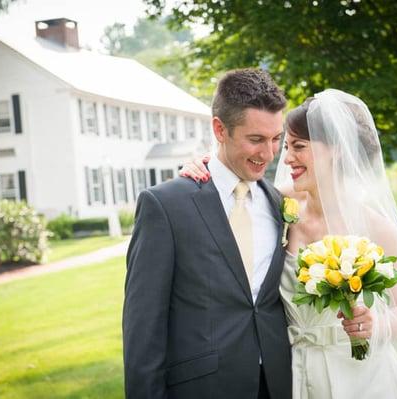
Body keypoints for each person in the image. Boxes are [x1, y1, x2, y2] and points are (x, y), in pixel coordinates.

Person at [181, 89, 397, 398]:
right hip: (294, 373)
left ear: (337, 150)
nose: (286, 158)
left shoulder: (378, 229)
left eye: (298, 146)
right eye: (286, 146)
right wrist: (200, 165)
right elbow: (228, 183)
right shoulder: (275, 203)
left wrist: (375, 324)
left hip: (364, 377)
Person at [123, 68, 292, 399]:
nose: (269, 154)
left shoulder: (278, 202)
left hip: (278, 383)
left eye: (276, 139)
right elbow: (143, 329)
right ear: (219, 129)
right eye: (256, 139)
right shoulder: (165, 205)